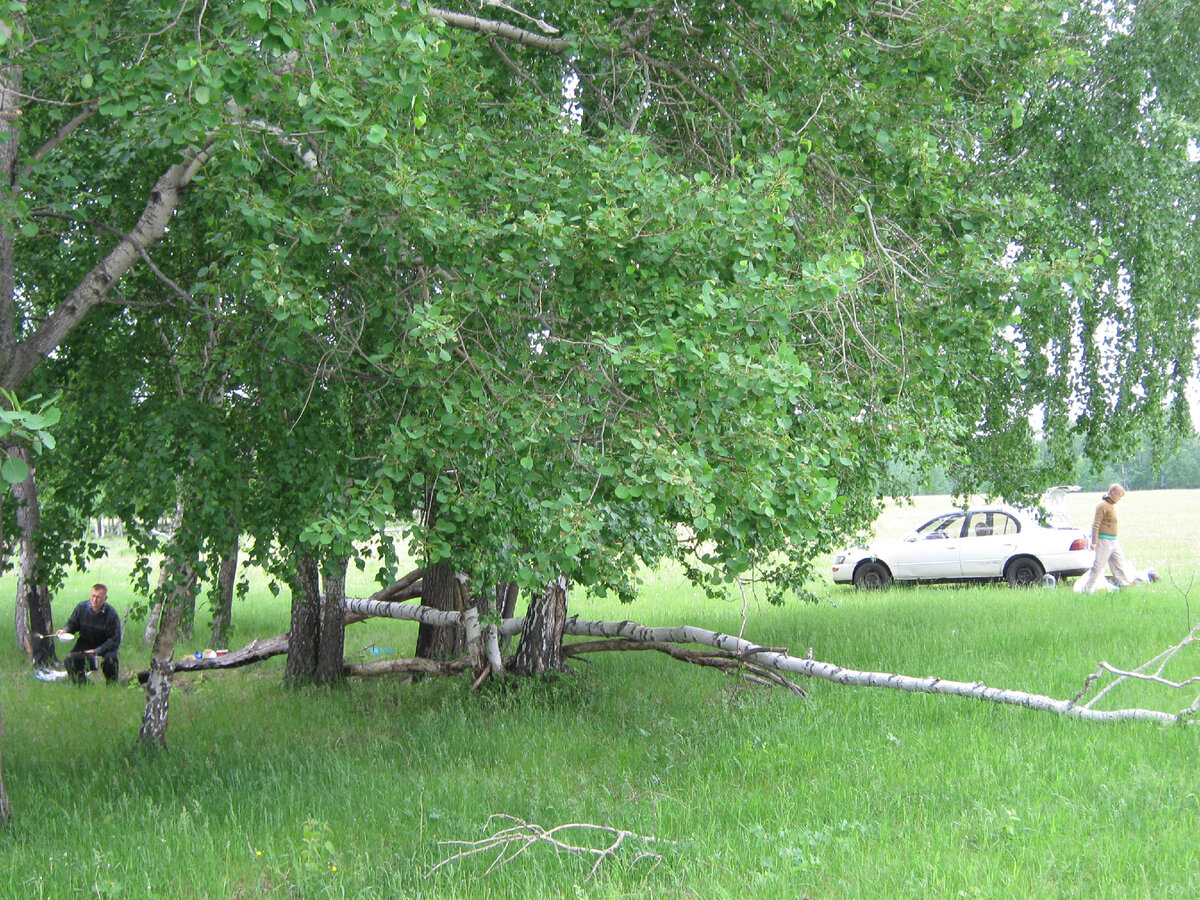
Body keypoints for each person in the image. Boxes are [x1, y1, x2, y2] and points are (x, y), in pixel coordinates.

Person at [57, 583, 122, 684]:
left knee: (111, 660)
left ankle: (112, 685)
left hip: (104, 645)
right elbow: (73, 623)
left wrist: (97, 651)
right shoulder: (81, 608)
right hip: (85, 642)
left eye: (99, 597)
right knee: (69, 660)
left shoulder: (111, 614)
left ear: (105, 598)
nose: (95, 600)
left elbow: (114, 640)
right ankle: (82, 683)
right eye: (93, 596)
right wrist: (65, 630)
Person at [1078, 484, 1136, 594]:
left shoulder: (1112, 506)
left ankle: (1124, 586)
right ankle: (1087, 589)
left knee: (1119, 563)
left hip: (1114, 540)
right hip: (1103, 540)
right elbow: (1096, 524)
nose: (1119, 498)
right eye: (1118, 495)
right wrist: (1094, 542)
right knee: (1098, 565)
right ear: (1112, 493)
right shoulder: (1102, 506)